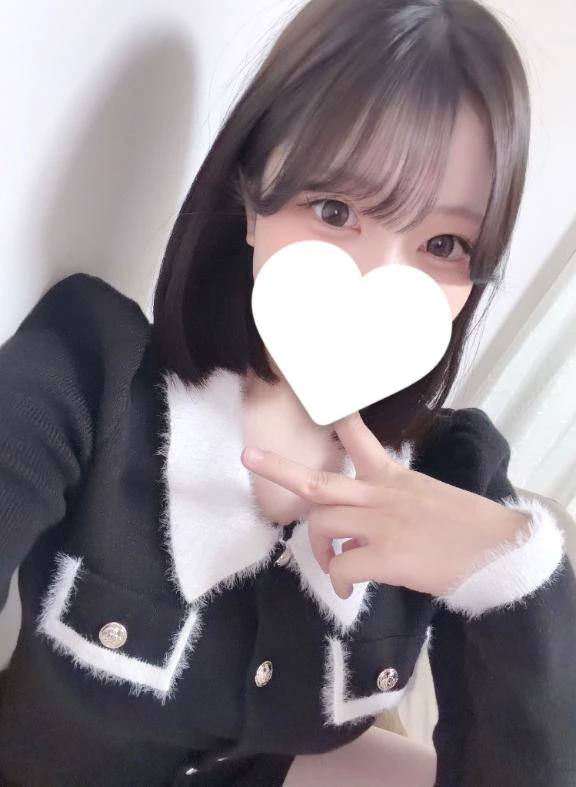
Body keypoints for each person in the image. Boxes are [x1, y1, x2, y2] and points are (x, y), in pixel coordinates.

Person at [0, 0, 575, 784]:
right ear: (251, 200)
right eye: (334, 209)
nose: (378, 279)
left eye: (444, 243)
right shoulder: (90, 371)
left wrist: (514, 575)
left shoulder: (454, 471)